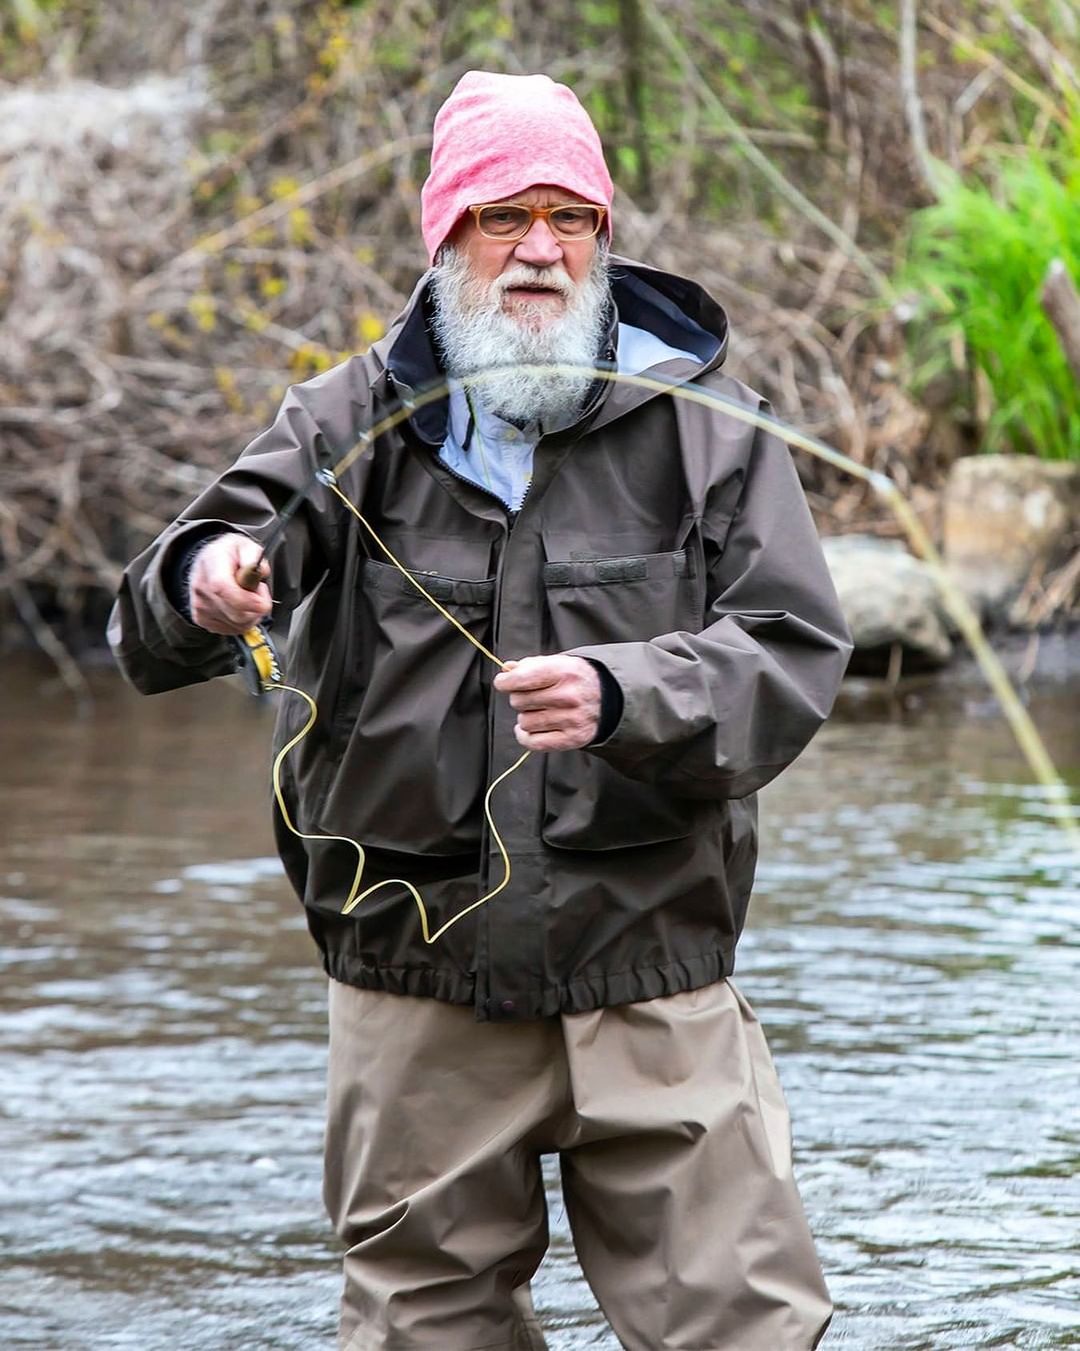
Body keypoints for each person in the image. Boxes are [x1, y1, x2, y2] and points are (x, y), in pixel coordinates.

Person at [110, 70, 851, 1351]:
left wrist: (629, 692)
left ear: (605, 241)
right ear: (446, 232)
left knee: (746, 1325)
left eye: (572, 218)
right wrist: (205, 577)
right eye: (507, 216)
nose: (542, 250)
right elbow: (160, 609)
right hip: (416, 974)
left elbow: (790, 653)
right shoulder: (342, 419)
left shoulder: (710, 429)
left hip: (653, 959)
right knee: (424, 1329)